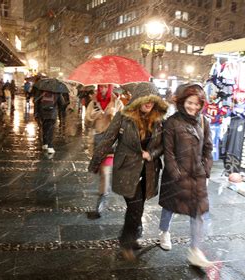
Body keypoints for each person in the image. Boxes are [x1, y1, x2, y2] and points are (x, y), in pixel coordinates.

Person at [89, 82, 167, 260]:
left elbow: (163, 145)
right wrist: (95, 162)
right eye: (146, 100)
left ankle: (133, 235)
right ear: (138, 99)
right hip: (126, 169)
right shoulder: (123, 117)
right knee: (135, 206)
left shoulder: (159, 121)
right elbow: (108, 139)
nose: (149, 104)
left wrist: (152, 154)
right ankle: (127, 239)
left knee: (137, 207)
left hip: (148, 171)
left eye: (152, 100)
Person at [157, 83, 214, 268]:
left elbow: (208, 147)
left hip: (197, 175)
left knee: (197, 213)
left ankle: (195, 251)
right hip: (177, 175)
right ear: (182, 102)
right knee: (170, 207)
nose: (193, 107)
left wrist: (206, 169)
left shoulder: (204, 121)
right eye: (190, 103)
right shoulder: (172, 122)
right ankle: (164, 232)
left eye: (197, 104)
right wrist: (176, 173)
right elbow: (169, 152)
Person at [85, 84, 124, 219]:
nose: (103, 90)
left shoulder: (118, 103)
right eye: (101, 87)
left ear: (110, 88)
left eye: (106, 87)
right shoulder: (93, 103)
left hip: (111, 144)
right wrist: (95, 116)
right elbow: (87, 122)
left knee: (105, 172)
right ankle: (103, 192)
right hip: (97, 142)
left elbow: (124, 124)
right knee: (100, 170)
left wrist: (113, 116)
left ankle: (102, 199)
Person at [34, 89, 65, 154]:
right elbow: (62, 104)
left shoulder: (41, 91)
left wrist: (36, 113)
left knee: (44, 127)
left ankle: (45, 144)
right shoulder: (57, 92)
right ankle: (50, 146)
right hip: (52, 114)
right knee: (50, 130)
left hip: (42, 113)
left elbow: (36, 102)